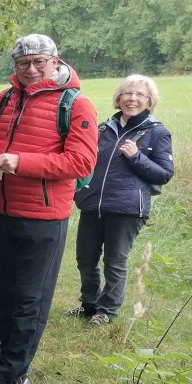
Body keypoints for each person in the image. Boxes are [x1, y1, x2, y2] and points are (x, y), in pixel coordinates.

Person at [0, 34, 97, 384]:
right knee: (5, 295)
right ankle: (6, 366)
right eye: (23, 63)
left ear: (55, 61)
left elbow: (82, 162)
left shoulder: (76, 103)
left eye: (39, 62)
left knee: (30, 301)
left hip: (43, 217)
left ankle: (12, 380)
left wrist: (21, 162)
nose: (31, 69)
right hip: (2, 210)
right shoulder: (7, 98)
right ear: (15, 66)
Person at [71, 75, 173, 325]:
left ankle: (106, 311)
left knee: (114, 261)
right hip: (92, 204)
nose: (132, 98)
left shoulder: (156, 131)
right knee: (85, 259)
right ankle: (89, 304)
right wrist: (79, 191)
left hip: (127, 209)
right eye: (128, 93)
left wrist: (136, 156)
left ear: (150, 101)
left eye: (140, 95)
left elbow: (164, 174)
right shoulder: (104, 129)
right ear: (119, 98)